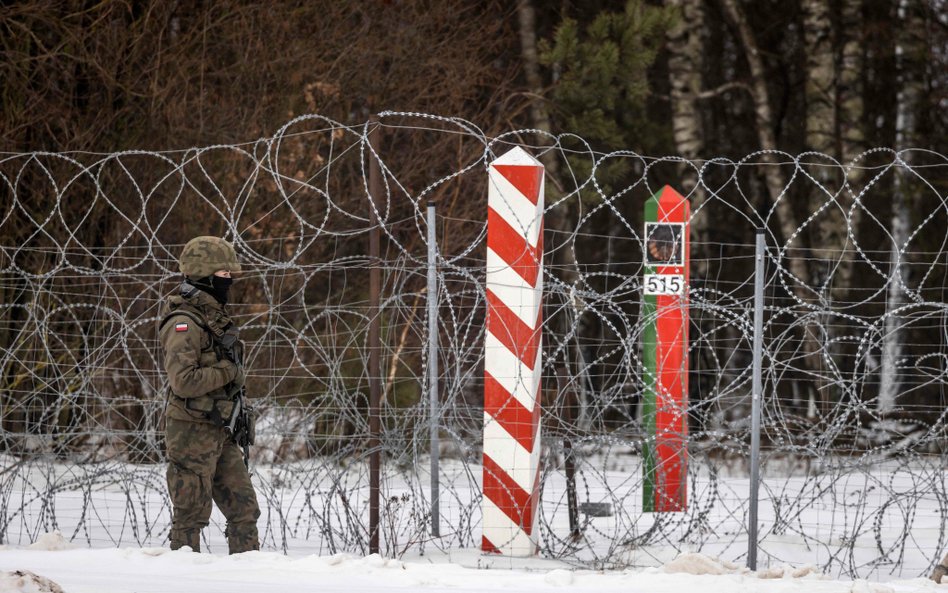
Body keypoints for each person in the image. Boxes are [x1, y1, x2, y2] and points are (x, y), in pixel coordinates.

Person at [158, 236, 260, 554]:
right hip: (191, 431)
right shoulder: (184, 324)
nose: (228, 282)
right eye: (224, 275)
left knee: (244, 511)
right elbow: (183, 381)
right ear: (205, 275)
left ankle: (247, 578)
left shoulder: (212, 318)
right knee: (190, 518)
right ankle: (184, 582)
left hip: (220, 429)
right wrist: (229, 371)